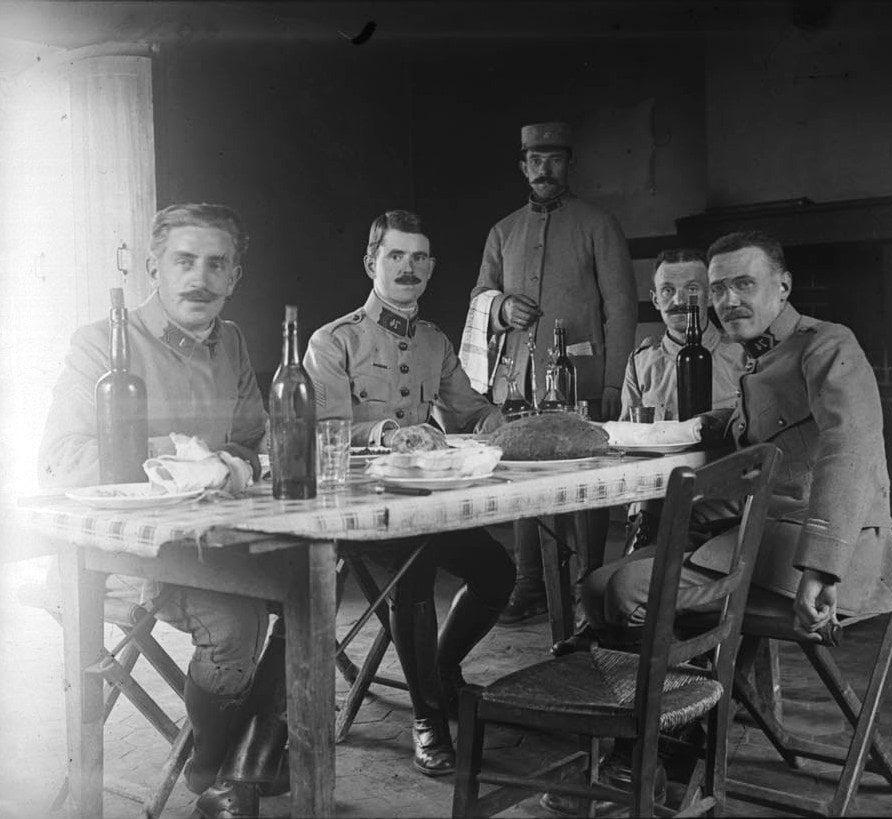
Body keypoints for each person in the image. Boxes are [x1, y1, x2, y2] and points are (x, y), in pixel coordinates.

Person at [542, 229, 892, 816]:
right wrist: (699, 428)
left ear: (783, 286)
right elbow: (761, 424)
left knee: (621, 591)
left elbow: (850, 448)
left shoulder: (826, 345)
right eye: (719, 289)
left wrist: (823, 567)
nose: (729, 299)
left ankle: (662, 755)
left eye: (745, 284)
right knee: (596, 587)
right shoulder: (761, 357)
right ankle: (642, 736)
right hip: (755, 535)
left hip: (829, 553)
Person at [37, 203, 285, 819]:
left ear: (234, 278)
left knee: (316, 582)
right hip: (114, 554)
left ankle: (235, 770)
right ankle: (216, 774)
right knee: (235, 622)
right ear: (154, 266)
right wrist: (177, 457)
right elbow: (61, 461)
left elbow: (254, 440)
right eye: (183, 261)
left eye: (216, 264)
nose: (199, 278)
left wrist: (236, 461)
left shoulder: (230, 341)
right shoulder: (101, 343)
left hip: (213, 544)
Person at [304, 209, 515, 777]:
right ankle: (428, 717)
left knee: (498, 572)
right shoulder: (333, 340)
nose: (408, 268)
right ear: (372, 262)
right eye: (396, 256)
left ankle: (441, 671)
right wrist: (387, 433)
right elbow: (323, 429)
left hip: (427, 503)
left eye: (420, 258)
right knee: (414, 576)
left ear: (431, 269)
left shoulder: (434, 343)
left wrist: (506, 422)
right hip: (359, 509)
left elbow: (469, 410)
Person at [466, 121, 638, 626]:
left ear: (568, 165)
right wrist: (501, 310)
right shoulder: (503, 231)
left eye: (554, 160)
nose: (544, 169)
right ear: (523, 167)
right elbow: (480, 296)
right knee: (522, 475)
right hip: (519, 380)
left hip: (584, 375)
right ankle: (531, 582)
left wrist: (612, 384)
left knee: (588, 476)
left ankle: (590, 585)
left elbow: (622, 308)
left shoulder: (597, 224)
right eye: (535, 161)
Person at [616, 247, 746, 558]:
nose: (677, 301)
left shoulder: (742, 356)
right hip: (654, 512)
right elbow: (625, 447)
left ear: (710, 295)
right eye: (667, 291)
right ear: (655, 298)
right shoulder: (641, 363)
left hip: (726, 517)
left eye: (691, 289)